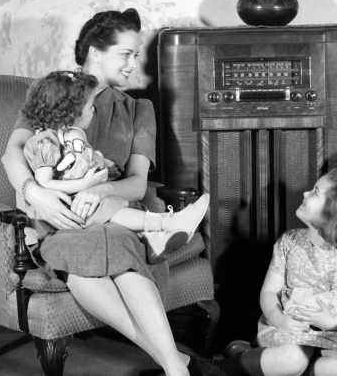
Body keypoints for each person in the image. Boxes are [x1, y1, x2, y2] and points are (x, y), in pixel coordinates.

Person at [2, 8, 192, 375]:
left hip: (110, 213)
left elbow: (138, 182)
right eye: (127, 54)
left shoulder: (139, 109)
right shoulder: (53, 93)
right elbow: (13, 153)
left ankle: (175, 366)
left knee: (114, 239)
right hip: (58, 218)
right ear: (95, 51)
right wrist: (33, 192)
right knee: (82, 245)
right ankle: (176, 362)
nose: (134, 66)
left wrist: (100, 188)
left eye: (136, 56)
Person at [20, 70, 209, 264]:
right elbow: (45, 184)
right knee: (109, 205)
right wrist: (86, 183)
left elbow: (78, 162)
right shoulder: (44, 143)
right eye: (90, 107)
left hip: (78, 203)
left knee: (113, 201)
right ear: (70, 115)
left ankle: (154, 239)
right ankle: (167, 223)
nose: (94, 109)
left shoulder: (70, 136)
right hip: (62, 212)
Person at [218, 168, 337, 376]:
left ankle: (273, 366)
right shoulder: (289, 241)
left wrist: (334, 322)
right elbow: (268, 292)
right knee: (293, 358)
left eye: (315, 192)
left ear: (332, 214)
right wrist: (278, 319)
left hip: (335, 333)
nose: (304, 193)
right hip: (290, 329)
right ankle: (227, 367)